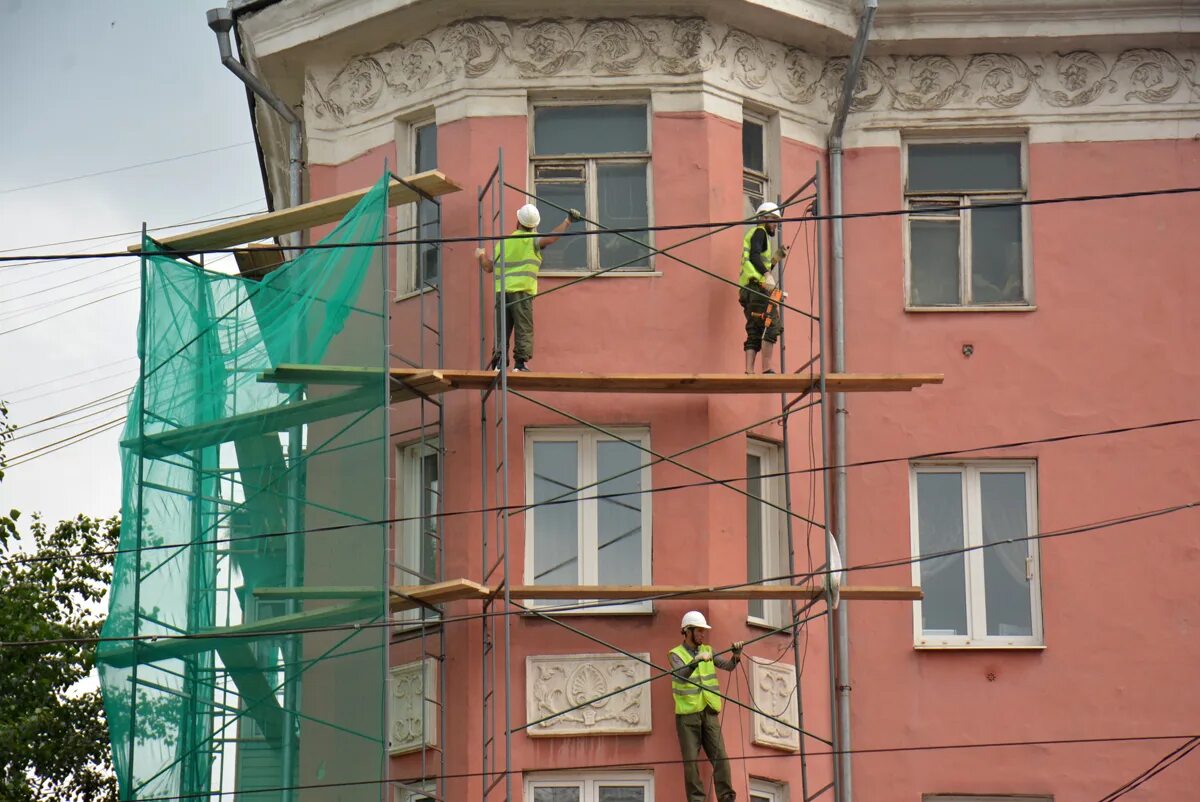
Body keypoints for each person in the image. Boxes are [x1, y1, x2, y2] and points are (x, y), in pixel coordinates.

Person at [475, 203, 580, 372]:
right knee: (523, 327)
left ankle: (499, 363)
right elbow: (552, 238)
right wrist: (567, 221)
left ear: (518, 221)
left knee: (502, 328)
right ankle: (520, 364)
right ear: (535, 225)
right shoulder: (532, 240)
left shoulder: (503, 244)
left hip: (502, 293)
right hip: (521, 292)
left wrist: (481, 255)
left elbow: (488, 267)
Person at [668, 610, 744, 802]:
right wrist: (695, 662)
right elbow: (680, 675)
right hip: (687, 716)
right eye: (699, 631)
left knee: (721, 758)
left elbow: (727, 666)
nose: (703, 635)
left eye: (704, 631)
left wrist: (736, 656)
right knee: (691, 762)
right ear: (687, 631)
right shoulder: (675, 654)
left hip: (709, 712)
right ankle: (697, 800)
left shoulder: (708, 651)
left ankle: (726, 797)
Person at [738, 202, 787, 374]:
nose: (775, 224)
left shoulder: (755, 234)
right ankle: (766, 368)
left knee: (755, 327)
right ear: (763, 218)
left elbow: (756, 263)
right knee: (772, 324)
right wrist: (767, 275)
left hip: (748, 290)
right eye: (773, 219)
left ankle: (749, 371)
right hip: (756, 290)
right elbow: (754, 257)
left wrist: (774, 261)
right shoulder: (760, 231)